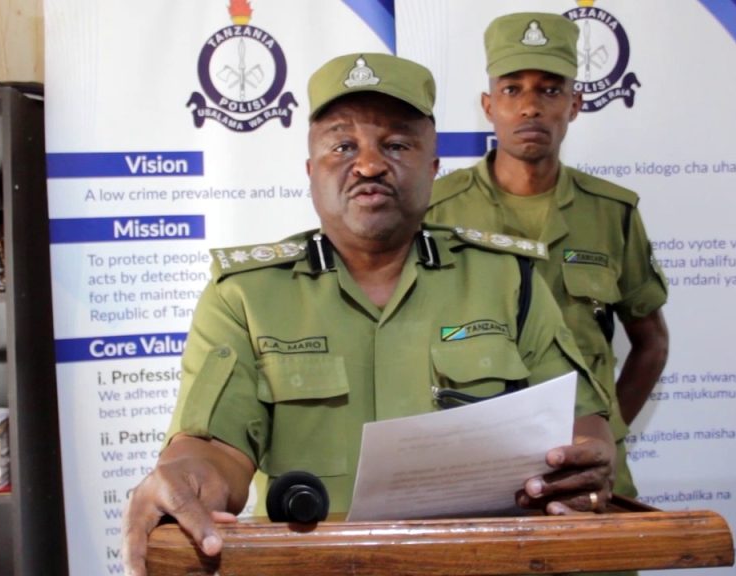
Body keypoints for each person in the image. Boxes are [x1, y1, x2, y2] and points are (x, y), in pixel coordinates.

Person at [122, 52, 616, 576]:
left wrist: (584, 459)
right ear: (310, 172)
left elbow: (578, 420)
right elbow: (211, 449)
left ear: (433, 168)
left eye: (397, 145)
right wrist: (187, 479)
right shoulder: (245, 297)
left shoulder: (509, 280)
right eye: (342, 146)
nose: (370, 165)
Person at [426, 12, 669, 499]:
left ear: (575, 104)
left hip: (586, 468)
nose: (530, 107)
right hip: (473, 462)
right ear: (488, 105)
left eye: (550, 90)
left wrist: (605, 434)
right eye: (512, 89)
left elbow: (652, 343)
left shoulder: (611, 212)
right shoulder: (436, 210)